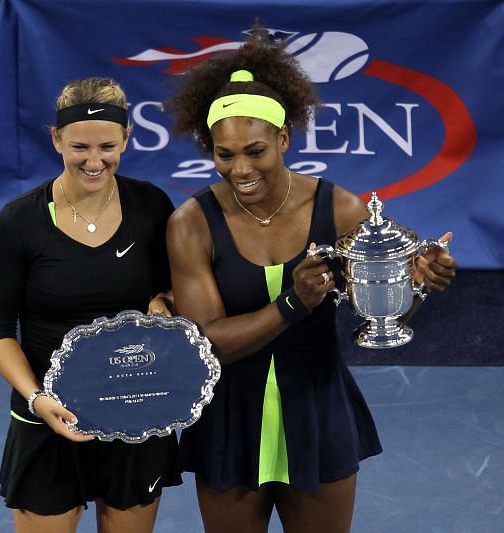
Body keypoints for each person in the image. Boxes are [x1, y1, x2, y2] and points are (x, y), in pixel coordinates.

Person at [165, 31, 457, 533]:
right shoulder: (191, 223)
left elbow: (380, 314)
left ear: (283, 139)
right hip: (229, 421)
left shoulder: (340, 207)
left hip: (319, 409)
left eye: (254, 151)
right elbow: (206, 342)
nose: (240, 169)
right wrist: (293, 304)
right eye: (224, 154)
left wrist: (413, 284)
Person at [0, 77, 181, 533]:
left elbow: (177, 293)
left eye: (107, 146)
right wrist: (37, 399)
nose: (95, 161)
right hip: (47, 415)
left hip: (136, 409)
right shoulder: (17, 224)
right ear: (56, 139)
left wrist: (165, 300)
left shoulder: (151, 207)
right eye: (80, 147)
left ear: (127, 139)